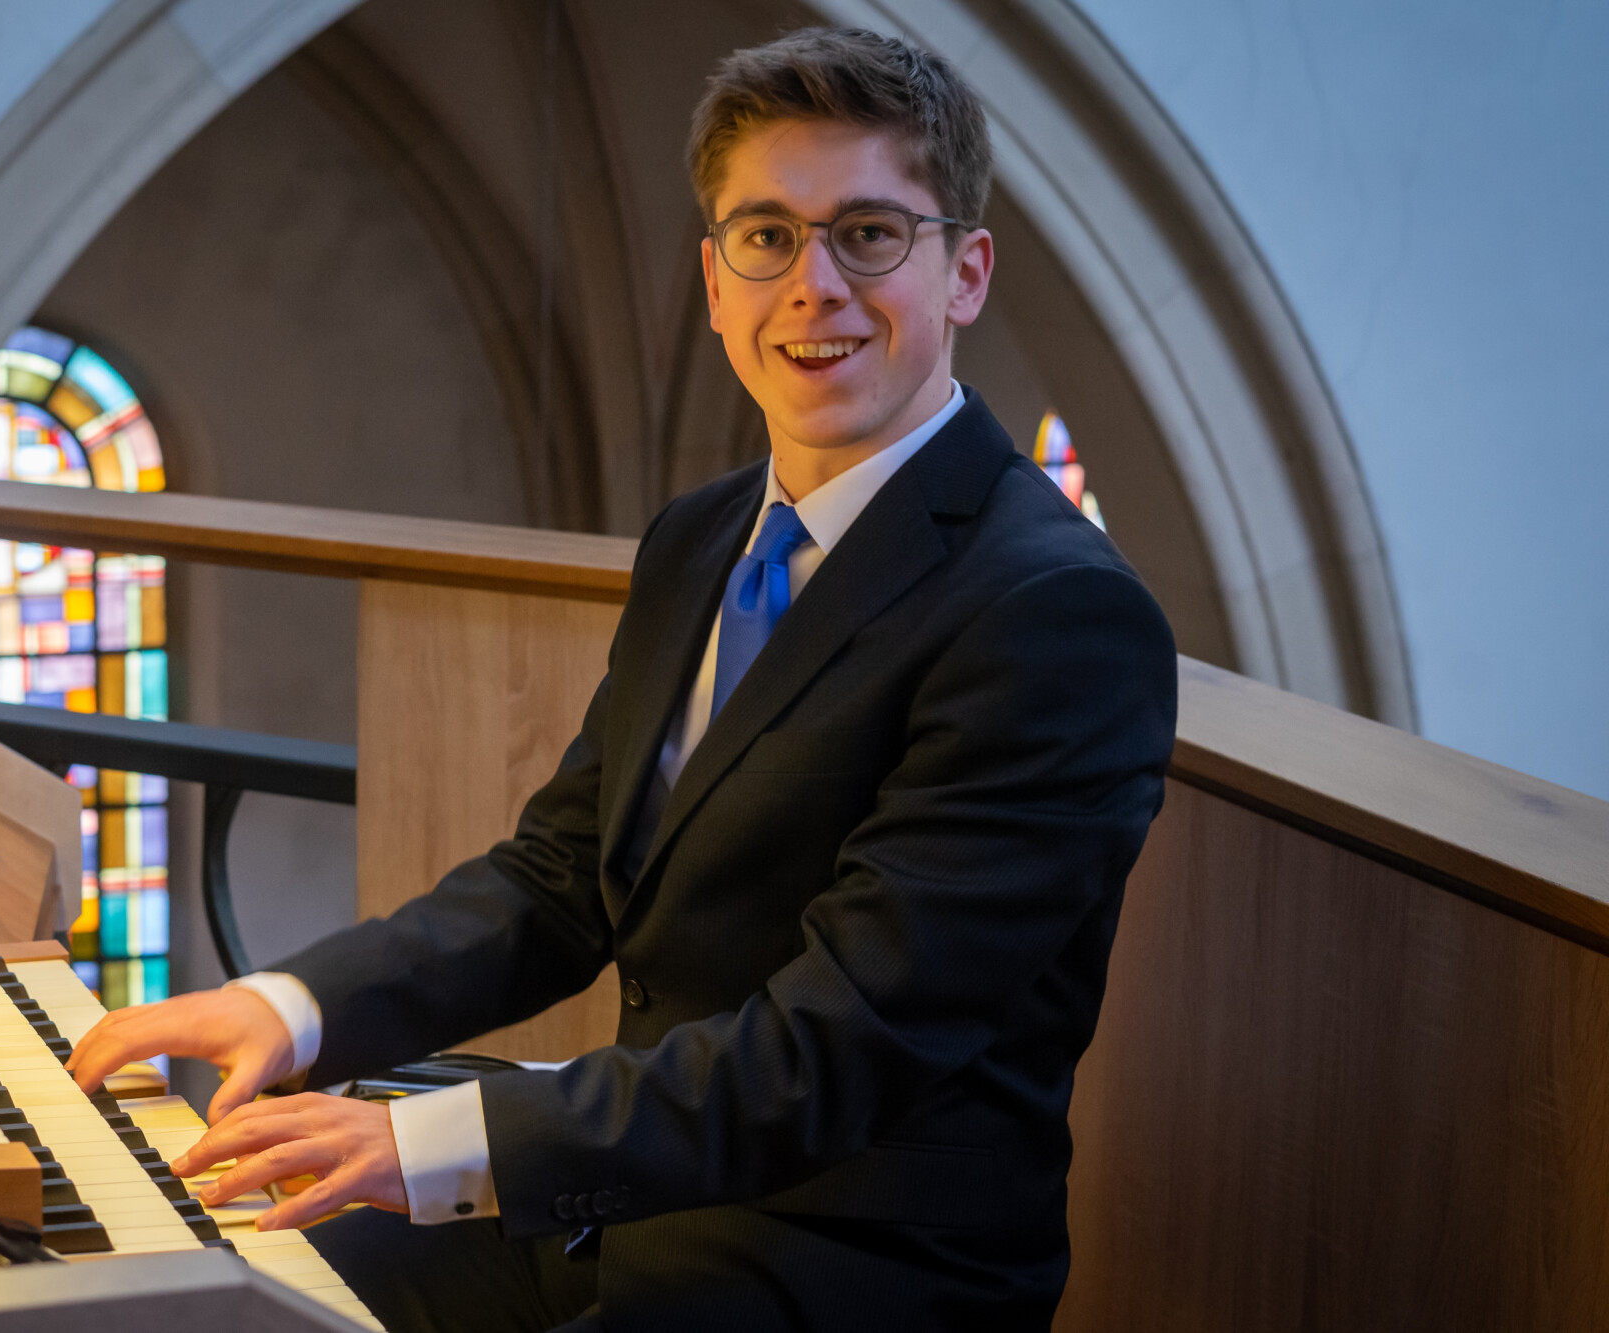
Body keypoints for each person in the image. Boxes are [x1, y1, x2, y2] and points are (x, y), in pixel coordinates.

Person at [68, 26, 1178, 1332]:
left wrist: (431, 1139)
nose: (812, 284)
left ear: (966, 271)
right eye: (767, 236)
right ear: (715, 282)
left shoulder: (1054, 612)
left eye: (869, 233)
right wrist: (292, 1005)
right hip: (626, 1195)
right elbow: (564, 871)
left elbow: (833, 1053)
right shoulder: (701, 538)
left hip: (850, 1264)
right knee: (221, 1287)